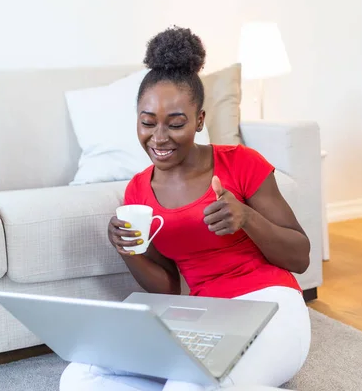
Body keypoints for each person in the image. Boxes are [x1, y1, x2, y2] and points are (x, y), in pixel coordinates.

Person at [59, 26, 311, 391]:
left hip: (270, 307)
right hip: (202, 318)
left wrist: (247, 218)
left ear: (199, 121)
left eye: (175, 124)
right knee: (80, 376)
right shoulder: (139, 190)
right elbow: (167, 285)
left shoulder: (241, 162)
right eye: (147, 123)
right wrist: (127, 250)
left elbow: (300, 257)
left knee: (185, 384)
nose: (158, 138)